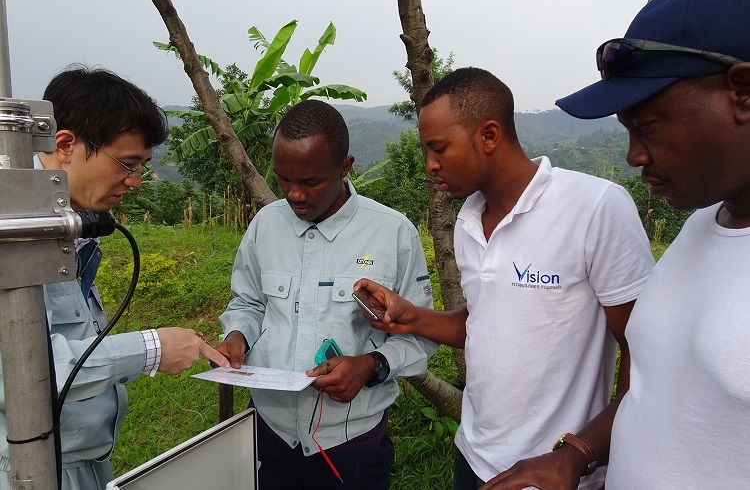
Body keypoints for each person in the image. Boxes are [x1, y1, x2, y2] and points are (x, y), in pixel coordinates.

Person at [476, 0, 750, 489]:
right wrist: (580, 454)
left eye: (647, 126)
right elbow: (654, 388)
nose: (633, 156)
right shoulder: (700, 230)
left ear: (742, 93)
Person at [354, 67, 655, 490]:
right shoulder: (468, 220)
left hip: (555, 472)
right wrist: (413, 318)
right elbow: (486, 321)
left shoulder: (595, 208)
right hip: (473, 458)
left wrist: (579, 455)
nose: (429, 165)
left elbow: (645, 354)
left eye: (439, 148)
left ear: (489, 136)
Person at [0, 66, 229, 490]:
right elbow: (21, 376)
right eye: (127, 164)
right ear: (66, 145)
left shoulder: (69, 231)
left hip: (78, 460)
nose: (135, 182)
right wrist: (149, 349)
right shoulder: (10, 230)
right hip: (24, 467)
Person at [215, 99, 435, 490]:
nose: (295, 195)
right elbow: (248, 302)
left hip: (351, 446)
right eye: (284, 179)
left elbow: (420, 335)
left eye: (311, 182)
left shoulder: (393, 234)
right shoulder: (266, 225)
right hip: (269, 431)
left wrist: (372, 366)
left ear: (345, 167)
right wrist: (238, 335)